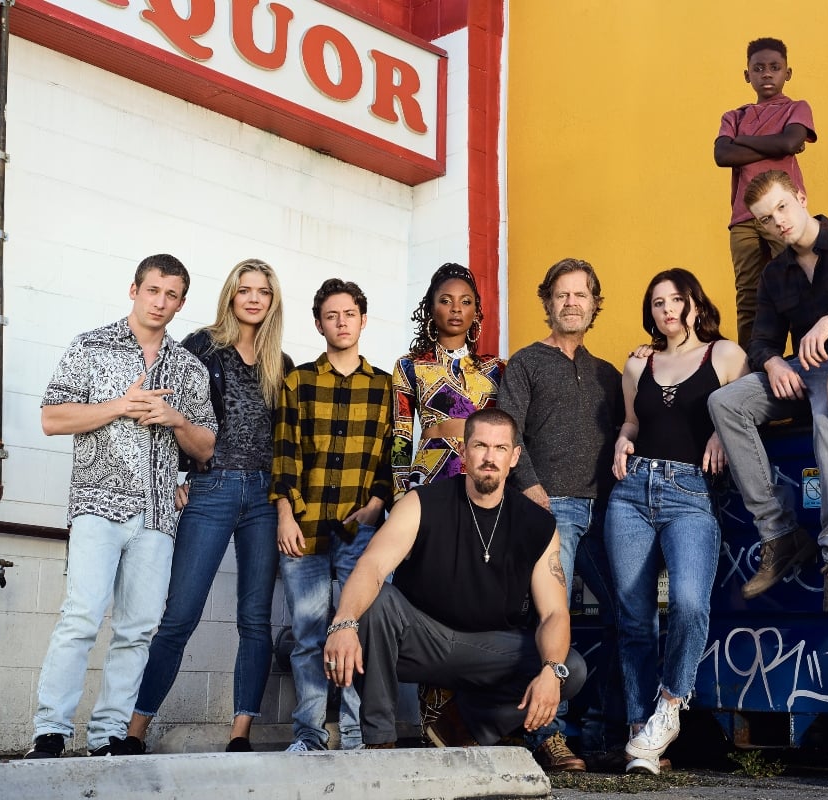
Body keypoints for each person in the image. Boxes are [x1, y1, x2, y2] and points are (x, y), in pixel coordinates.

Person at [25, 254, 217, 759]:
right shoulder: (90, 346)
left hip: (158, 516)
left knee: (137, 631)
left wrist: (176, 419)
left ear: (181, 303)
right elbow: (51, 418)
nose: (160, 302)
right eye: (153, 290)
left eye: (171, 295)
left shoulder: (189, 368)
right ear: (134, 290)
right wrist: (118, 406)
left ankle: (108, 735)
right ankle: (50, 732)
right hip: (98, 505)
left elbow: (206, 448)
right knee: (81, 619)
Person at [323, 408, 586, 750]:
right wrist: (343, 622)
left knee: (569, 668)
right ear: (463, 451)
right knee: (377, 602)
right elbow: (371, 566)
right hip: (419, 640)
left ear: (514, 457)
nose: (489, 457)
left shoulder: (537, 524)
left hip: (488, 650)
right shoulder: (421, 503)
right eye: (480, 446)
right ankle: (379, 743)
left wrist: (550, 670)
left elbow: (554, 613)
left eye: (500, 448)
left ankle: (460, 725)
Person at [128, 259, 291, 753]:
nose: (254, 298)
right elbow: (169, 411)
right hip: (212, 487)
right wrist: (176, 477)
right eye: (245, 289)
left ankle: (240, 733)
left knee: (255, 619)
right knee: (180, 614)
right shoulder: (202, 346)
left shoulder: (280, 364)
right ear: (231, 295)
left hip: (263, 496)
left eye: (263, 291)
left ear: (273, 300)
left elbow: (286, 442)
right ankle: (134, 731)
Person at [707, 169, 828, 616]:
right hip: (802, 369)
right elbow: (762, 340)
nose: (778, 222)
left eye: (782, 207)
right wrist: (774, 362)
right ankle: (779, 533)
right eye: (765, 218)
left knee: (827, 411)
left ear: (801, 196)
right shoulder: (774, 274)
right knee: (725, 401)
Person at [606, 269, 749, 775]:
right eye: (657, 302)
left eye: (675, 299)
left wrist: (722, 433)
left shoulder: (725, 355)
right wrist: (622, 440)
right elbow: (632, 422)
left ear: (695, 304)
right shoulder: (637, 363)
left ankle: (669, 708)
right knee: (634, 618)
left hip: (692, 494)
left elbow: (748, 410)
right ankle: (639, 735)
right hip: (632, 492)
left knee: (689, 603)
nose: (667, 309)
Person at [496, 257, 623, 771]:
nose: (571, 303)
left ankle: (606, 730)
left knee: (628, 615)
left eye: (581, 294)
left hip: (609, 513)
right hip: (553, 509)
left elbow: (629, 432)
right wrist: (532, 488)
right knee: (552, 616)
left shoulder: (609, 374)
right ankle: (548, 734)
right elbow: (509, 431)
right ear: (548, 302)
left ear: (595, 304)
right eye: (562, 294)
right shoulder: (526, 362)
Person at [270, 279, 394, 752]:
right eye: (331, 316)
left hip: (360, 531)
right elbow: (285, 454)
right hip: (304, 529)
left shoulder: (384, 387)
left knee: (358, 630)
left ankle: (357, 736)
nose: (341, 323)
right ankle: (310, 736)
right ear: (319, 324)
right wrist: (285, 515)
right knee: (307, 635)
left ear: (363, 320)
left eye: (349, 314)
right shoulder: (299, 381)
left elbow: (392, 455)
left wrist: (377, 504)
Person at [714, 37, 817, 349]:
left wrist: (742, 141)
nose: (767, 74)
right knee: (748, 294)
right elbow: (722, 155)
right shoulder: (734, 117)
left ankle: (802, 357)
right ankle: (751, 361)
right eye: (758, 68)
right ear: (747, 75)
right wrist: (777, 143)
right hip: (743, 219)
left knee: (794, 283)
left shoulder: (797, 108)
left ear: (788, 73)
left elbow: (790, 142)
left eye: (775, 67)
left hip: (784, 213)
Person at [392, 263, 505, 496]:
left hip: (483, 477)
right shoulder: (410, 365)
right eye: (445, 301)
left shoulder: (497, 368)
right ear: (431, 309)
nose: (456, 309)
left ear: (476, 311)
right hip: (430, 477)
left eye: (466, 302)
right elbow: (401, 435)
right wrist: (399, 492)